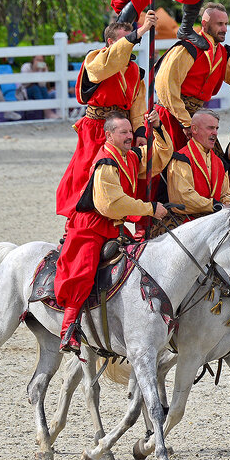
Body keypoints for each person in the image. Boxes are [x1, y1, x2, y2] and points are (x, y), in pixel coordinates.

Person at [54, 109, 172, 353]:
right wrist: (149, 208)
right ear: (109, 135)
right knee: (83, 272)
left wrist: (158, 128)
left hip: (113, 225)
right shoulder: (106, 163)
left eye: (130, 131)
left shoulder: (128, 156)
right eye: (124, 132)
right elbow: (112, 203)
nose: (130, 136)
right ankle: (69, 329)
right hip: (91, 225)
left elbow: (159, 156)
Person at [56, 11, 156, 219]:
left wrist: (139, 131)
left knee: (121, 174)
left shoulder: (135, 71)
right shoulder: (95, 60)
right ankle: (78, 221)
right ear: (110, 42)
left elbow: (137, 105)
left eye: (132, 41)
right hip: (96, 128)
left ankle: (115, 218)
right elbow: (110, 63)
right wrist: (141, 31)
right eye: (124, 41)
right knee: (87, 174)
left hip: (121, 128)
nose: (129, 45)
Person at [155, 1, 230, 150]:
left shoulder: (224, 53)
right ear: (205, 24)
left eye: (225, 24)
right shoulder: (186, 49)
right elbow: (166, 86)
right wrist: (186, 123)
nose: (224, 29)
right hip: (172, 117)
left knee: (216, 164)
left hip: (198, 118)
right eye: (219, 24)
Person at [166, 108, 230, 221]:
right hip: (186, 224)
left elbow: (225, 194)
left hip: (213, 221)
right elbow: (183, 197)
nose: (215, 133)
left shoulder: (219, 162)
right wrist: (215, 206)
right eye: (210, 128)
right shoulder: (182, 158)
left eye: (216, 128)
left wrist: (228, 204)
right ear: (194, 129)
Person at [20, 55, 58, 120]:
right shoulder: (26, 67)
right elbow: (25, 83)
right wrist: (34, 71)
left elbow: (43, 84)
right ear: (33, 59)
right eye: (37, 60)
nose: (39, 62)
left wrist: (43, 72)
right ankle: (47, 113)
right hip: (27, 91)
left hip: (39, 90)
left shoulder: (43, 68)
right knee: (35, 88)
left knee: (43, 89)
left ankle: (48, 112)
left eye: (41, 60)